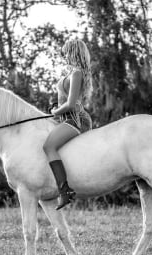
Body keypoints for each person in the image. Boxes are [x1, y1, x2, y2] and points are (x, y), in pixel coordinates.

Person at [43, 39, 93, 210]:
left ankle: (65, 191)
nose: (63, 56)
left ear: (72, 52)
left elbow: (71, 104)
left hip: (74, 119)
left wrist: (56, 112)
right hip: (67, 117)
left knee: (49, 146)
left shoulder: (77, 73)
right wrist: (56, 109)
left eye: (65, 53)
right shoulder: (73, 73)